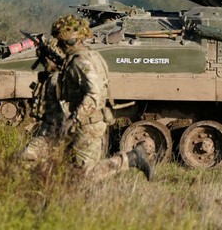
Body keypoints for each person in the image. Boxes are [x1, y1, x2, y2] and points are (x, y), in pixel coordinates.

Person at [52, 14, 154, 181]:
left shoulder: (81, 61)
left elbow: (94, 95)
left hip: (87, 123)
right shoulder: (92, 55)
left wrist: (74, 120)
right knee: (74, 171)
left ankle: (133, 158)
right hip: (91, 120)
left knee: (83, 175)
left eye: (61, 39)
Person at [20, 37, 67, 166]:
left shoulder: (57, 79)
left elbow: (67, 113)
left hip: (56, 132)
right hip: (49, 128)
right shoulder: (53, 77)